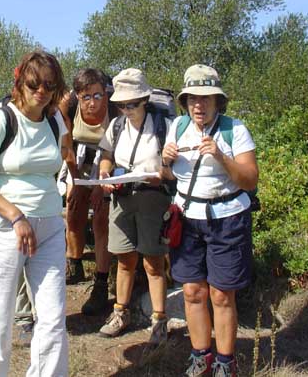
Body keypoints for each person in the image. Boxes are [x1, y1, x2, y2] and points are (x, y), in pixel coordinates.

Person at [0, 50, 69, 376]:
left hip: (51, 226)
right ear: (20, 82)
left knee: (53, 319)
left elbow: (64, 157)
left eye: (49, 86)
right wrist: (16, 216)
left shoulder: (55, 121)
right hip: (7, 228)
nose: (41, 91)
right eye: (34, 84)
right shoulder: (1, 120)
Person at [160, 64, 259, 377]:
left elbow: (249, 179)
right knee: (192, 291)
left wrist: (220, 156)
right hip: (187, 219)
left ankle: (225, 362)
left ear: (218, 101)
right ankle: (200, 356)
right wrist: (165, 161)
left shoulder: (235, 130)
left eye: (205, 98)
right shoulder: (176, 126)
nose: (198, 105)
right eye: (192, 99)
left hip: (227, 220)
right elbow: (167, 177)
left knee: (221, 294)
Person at [97, 68, 172, 346]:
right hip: (122, 198)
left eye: (132, 104)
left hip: (153, 198)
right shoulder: (116, 127)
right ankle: (121, 313)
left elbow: (173, 170)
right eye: (122, 104)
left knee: (153, 262)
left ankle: (159, 319)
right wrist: (105, 174)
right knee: (124, 259)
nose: (127, 109)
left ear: (144, 99)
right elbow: (106, 157)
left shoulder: (164, 126)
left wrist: (161, 172)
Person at [59, 68, 118, 315]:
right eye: (86, 97)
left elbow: (115, 150)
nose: (93, 102)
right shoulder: (68, 105)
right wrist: (75, 180)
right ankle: (75, 263)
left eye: (98, 95)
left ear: (105, 93)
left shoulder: (114, 109)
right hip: (78, 158)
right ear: (77, 95)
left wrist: (99, 186)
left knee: (102, 217)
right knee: (74, 209)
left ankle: (101, 282)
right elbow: (66, 145)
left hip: (108, 160)